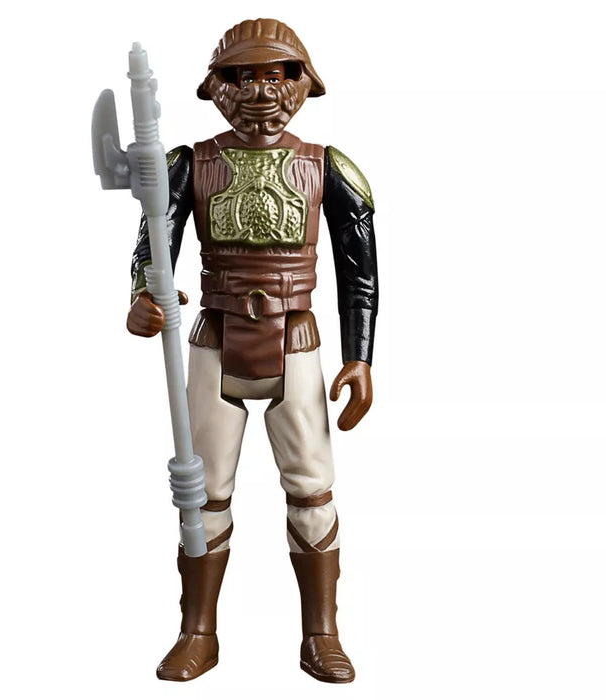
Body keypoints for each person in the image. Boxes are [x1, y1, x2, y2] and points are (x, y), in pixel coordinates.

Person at [126, 18, 378, 683]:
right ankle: (197, 632)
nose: (261, 92)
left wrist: (360, 357)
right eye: (244, 76)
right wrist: (143, 295)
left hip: (296, 340)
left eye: (275, 74)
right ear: (219, 85)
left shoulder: (327, 167)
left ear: (300, 81)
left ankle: (321, 633)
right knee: (202, 494)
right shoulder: (189, 165)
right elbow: (153, 244)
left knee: (313, 491)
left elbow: (358, 271)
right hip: (215, 335)